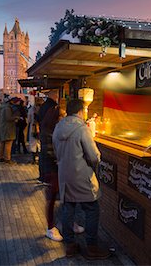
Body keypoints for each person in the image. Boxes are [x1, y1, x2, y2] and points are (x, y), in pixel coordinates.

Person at [53, 99, 109, 260]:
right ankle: (91, 247)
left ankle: (69, 245)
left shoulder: (58, 127)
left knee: (68, 208)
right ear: (80, 112)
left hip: (64, 174)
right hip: (82, 176)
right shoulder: (82, 129)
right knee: (92, 209)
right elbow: (93, 156)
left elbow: (56, 151)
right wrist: (95, 162)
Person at [36, 90, 59, 183]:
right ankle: (47, 178)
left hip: (43, 133)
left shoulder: (44, 106)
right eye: (57, 96)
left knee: (43, 155)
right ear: (54, 96)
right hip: (49, 134)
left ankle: (42, 176)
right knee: (49, 157)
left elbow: (38, 118)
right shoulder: (52, 107)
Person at [0, 96, 18, 164]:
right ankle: (7, 158)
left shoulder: (1, 107)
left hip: (2, 127)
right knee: (8, 143)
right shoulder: (7, 108)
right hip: (8, 128)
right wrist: (15, 117)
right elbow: (8, 118)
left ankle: (1, 157)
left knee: (2, 142)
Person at [27, 97, 42, 164]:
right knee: (39, 143)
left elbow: (29, 120)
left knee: (33, 143)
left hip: (33, 127)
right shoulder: (43, 109)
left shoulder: (31, 109)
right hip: (41, 127)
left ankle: (33, 159)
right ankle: (38, 158)